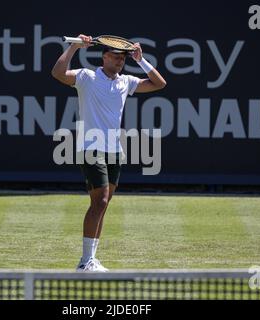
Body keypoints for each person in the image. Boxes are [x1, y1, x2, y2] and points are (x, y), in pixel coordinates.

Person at [51, 34, 167, 272]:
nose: (119, 62)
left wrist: (141, 60)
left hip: (115, 150)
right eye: (115, 57)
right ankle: (85, 262)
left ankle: (91, 258)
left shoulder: (126, 81)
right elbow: (58, 74)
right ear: (104, 57)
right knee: (100, 200)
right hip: (91, 147)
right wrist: (74, 47)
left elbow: (159, 84)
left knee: (103, 204)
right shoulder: (86, 77)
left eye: (122, 58)